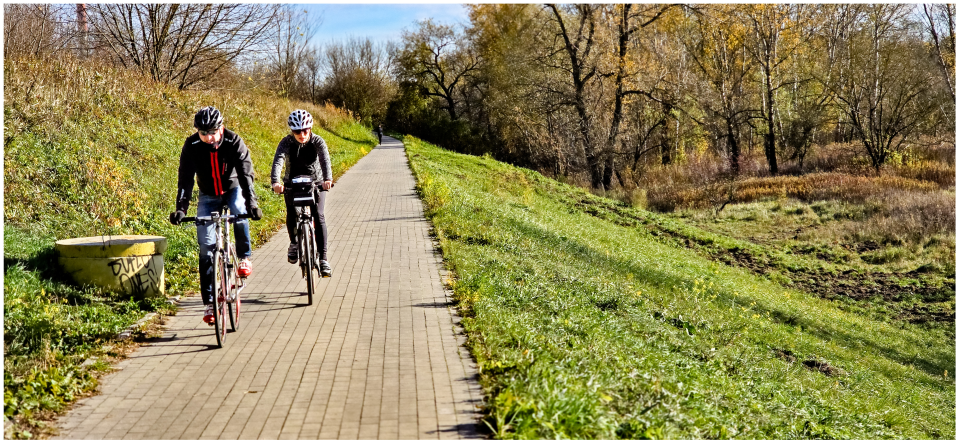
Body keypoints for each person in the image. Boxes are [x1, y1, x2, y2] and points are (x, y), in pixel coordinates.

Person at [169, 106, 262, 324]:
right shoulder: (192, 146)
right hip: (208, 195)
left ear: (221, 128)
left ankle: (244, 257)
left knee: (239, 212)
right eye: (203, 133)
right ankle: (210, 303)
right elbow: (185, 179)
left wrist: (252, 204)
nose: (208, 137)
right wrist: (181, 208)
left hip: (233, 189)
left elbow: (245, 174)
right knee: (206, 248)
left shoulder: (233, 141)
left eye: (212, 132)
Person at [271, 109, 334, 277]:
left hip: (316, 183)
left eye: (305, 130)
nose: (302, 134)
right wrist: (276, 182)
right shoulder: (286, 142)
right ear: (292, 131)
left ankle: (323, 259)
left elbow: (325, 159)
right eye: (297, 131)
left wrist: (327, 179)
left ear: (310, 128)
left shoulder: (318, 141)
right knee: (292, 212)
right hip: (292, 184)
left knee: (318, 215)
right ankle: (294, 243)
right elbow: (278, 161)